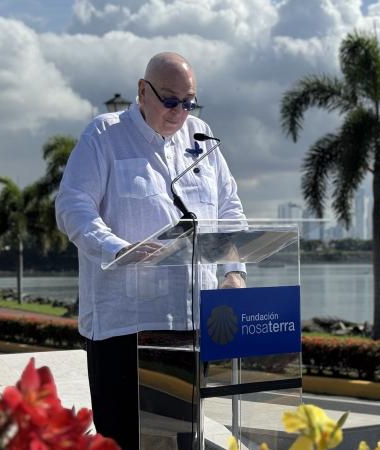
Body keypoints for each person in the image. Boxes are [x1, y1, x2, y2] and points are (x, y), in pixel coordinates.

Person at [55, 52, 246, 449]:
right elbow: (73, 207)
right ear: (143, 91)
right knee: (124, 440)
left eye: (189, 102)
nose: (180, 112)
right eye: (170, 100)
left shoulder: (201, 136)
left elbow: (229, 209)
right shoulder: (104, 135)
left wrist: (234, 271)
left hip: (190, 324)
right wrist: (118, 248)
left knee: (183, 440)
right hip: (124, 327)